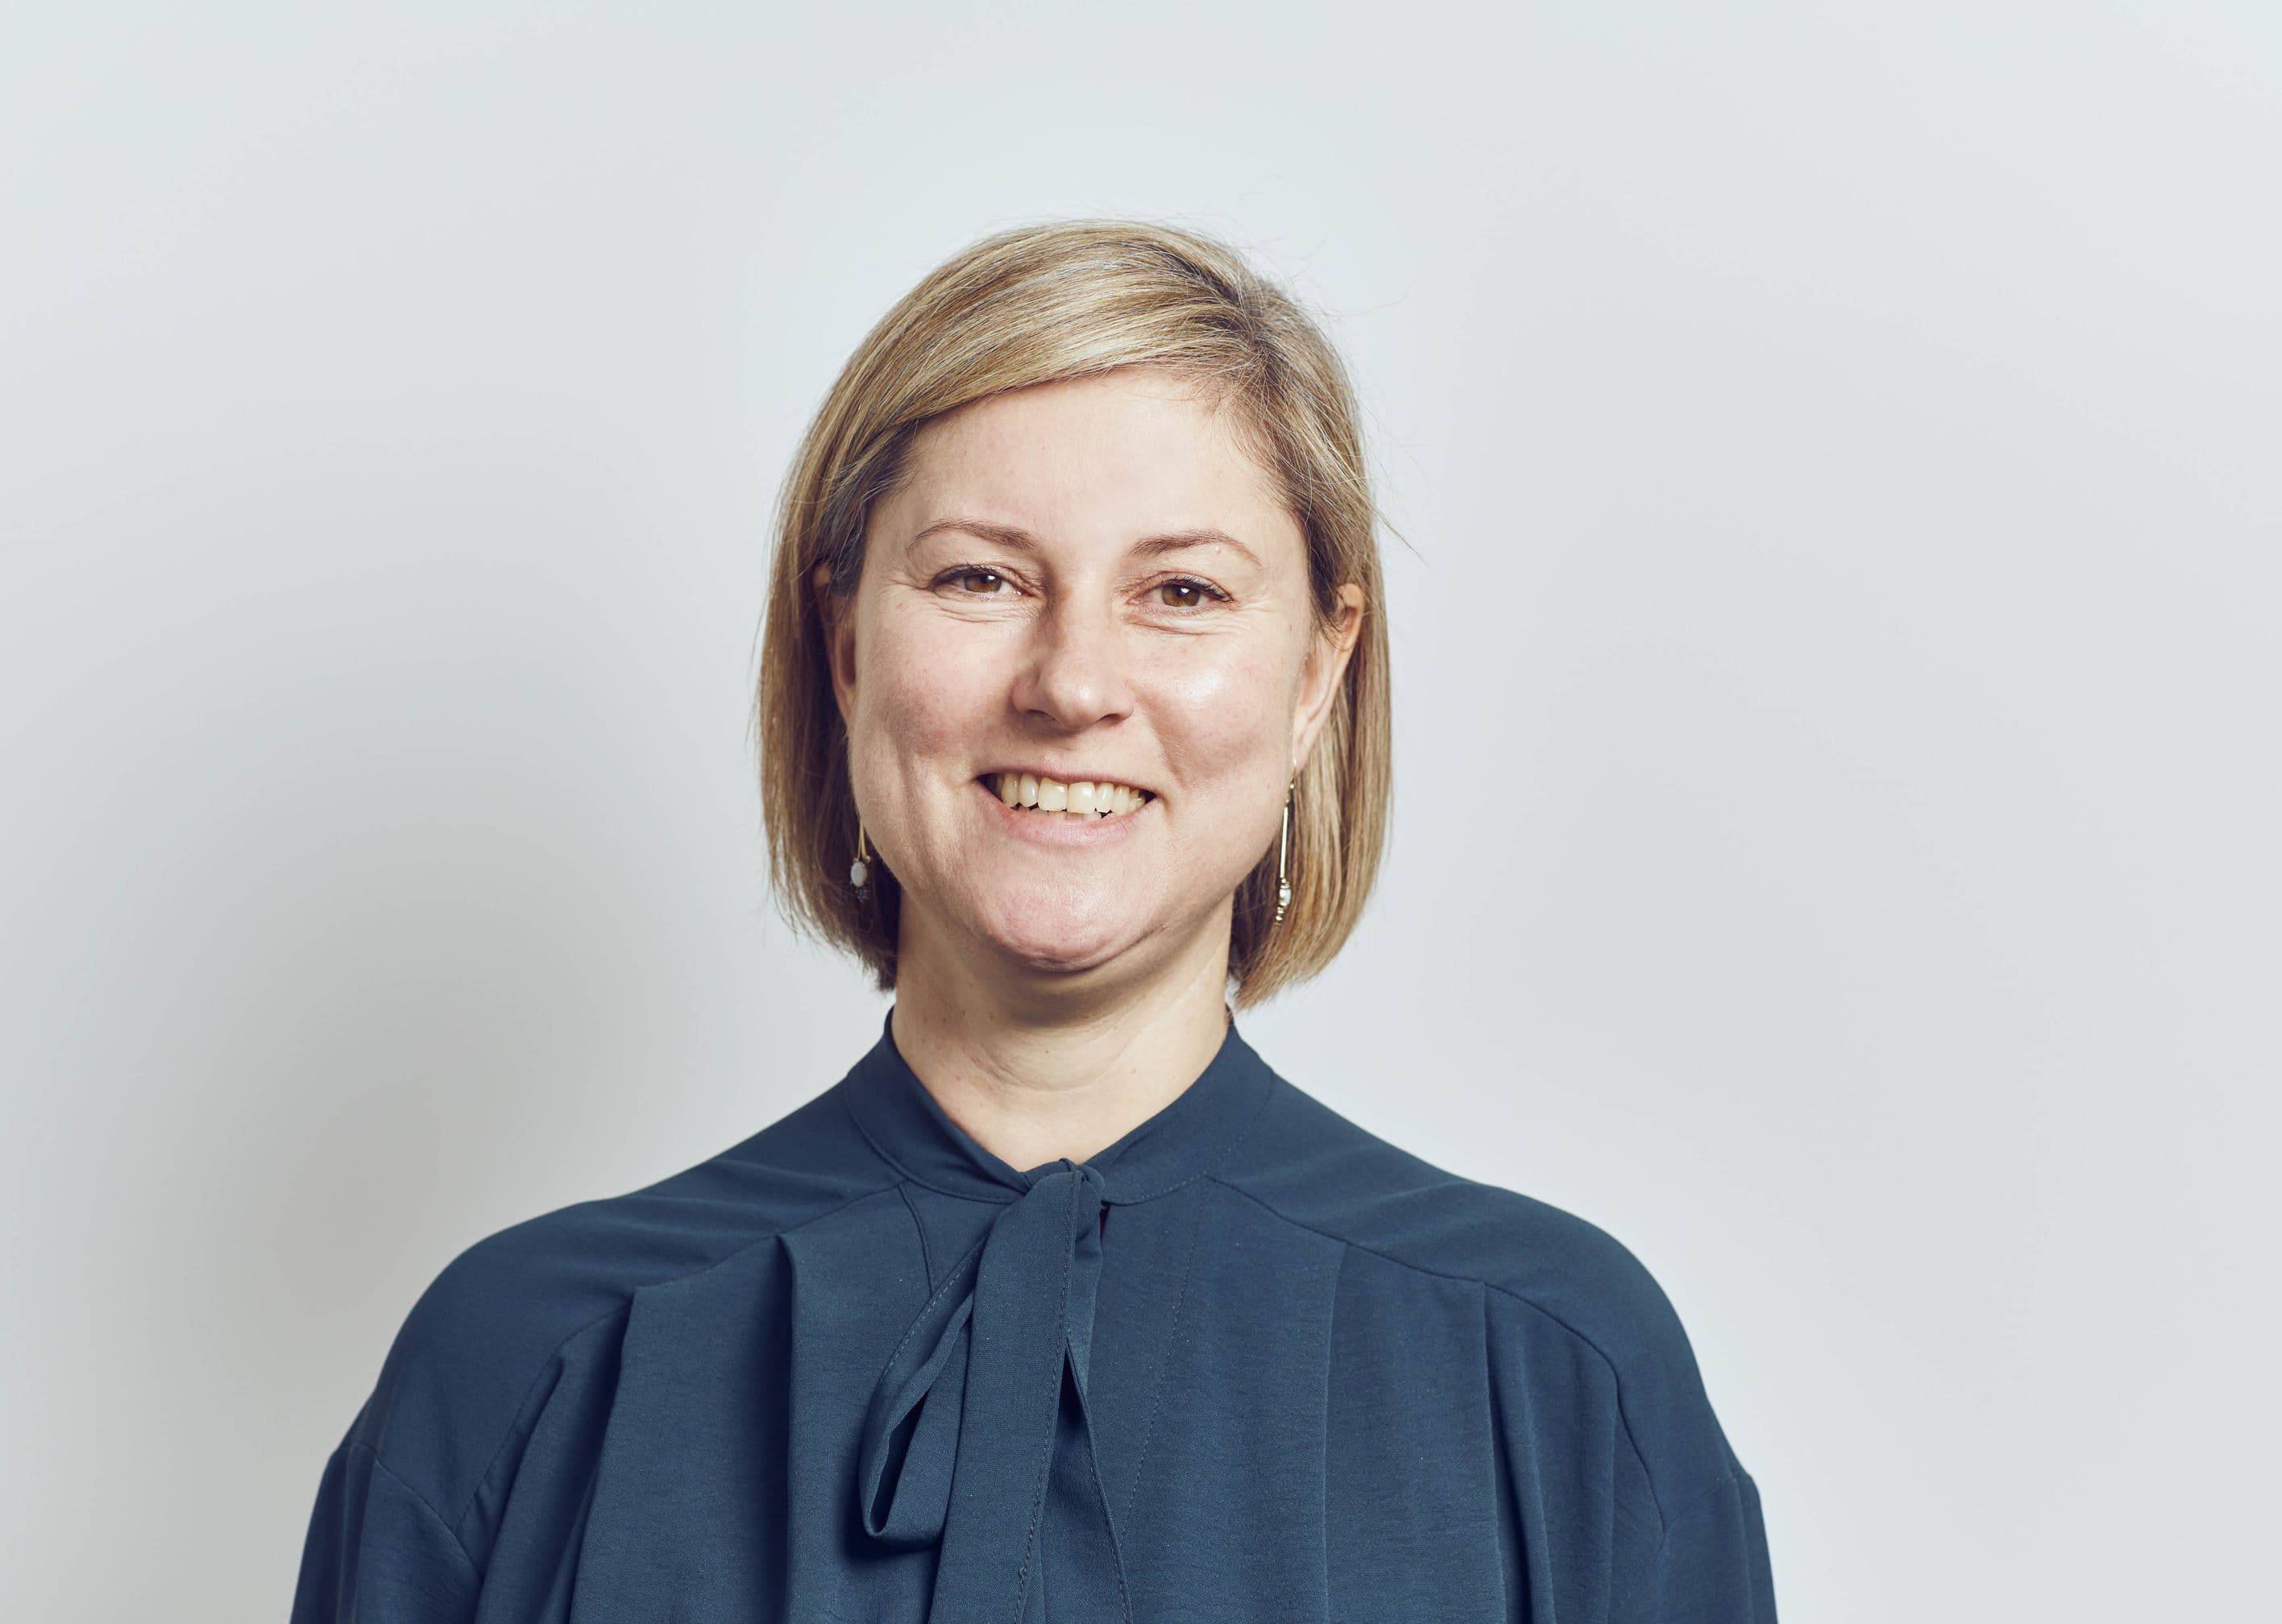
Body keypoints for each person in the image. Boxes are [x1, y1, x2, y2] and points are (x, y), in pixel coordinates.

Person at [288, 219, 1777, 1622]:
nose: (1071, 683)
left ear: (1318, 672)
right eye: (982, 577)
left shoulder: (1558, 1371)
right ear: (847, 645)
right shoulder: (524, 1367)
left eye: (1181, 591)